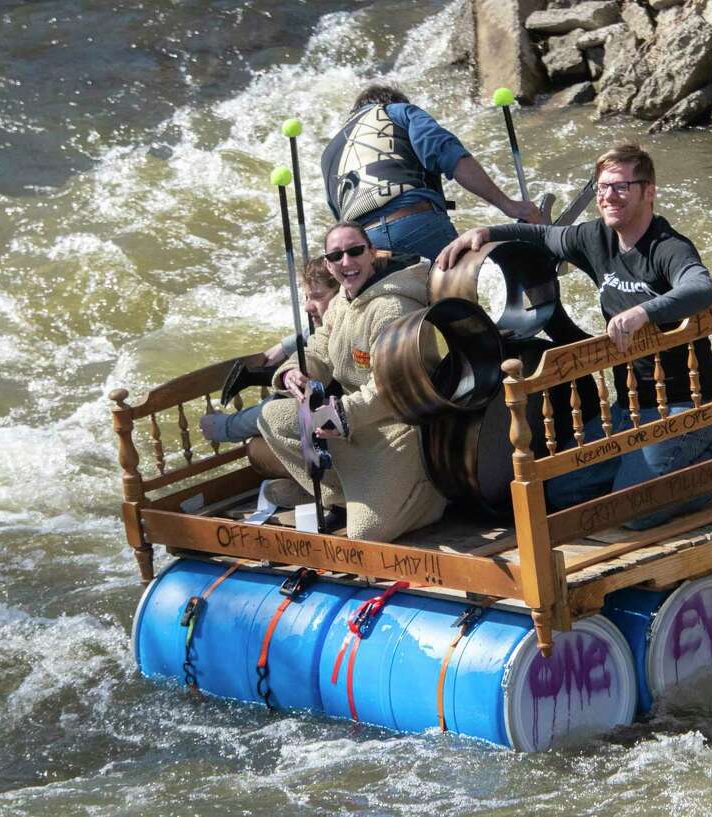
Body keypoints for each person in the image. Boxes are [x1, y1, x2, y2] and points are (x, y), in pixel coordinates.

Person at [436, 141, 712, 528]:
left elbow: (700, 288)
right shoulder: (596, 238)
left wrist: (643, 313)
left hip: (685, 405)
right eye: (602, 188)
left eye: (621, 187)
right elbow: (543, 237)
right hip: (629, 406)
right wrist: (484, 232)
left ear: (649, 192)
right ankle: (643, 471)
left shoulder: (668, 247)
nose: (609, 196)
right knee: (562, 491)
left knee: (634, 513)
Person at [257, 221, 447, 541]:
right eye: (337, 255)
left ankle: (427, 496)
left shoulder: (392, 308)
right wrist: (294, 370)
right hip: (351, 424)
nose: (347, 262)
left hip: (396, 429)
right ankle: (343, 496)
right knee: (272, 418)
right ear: (329, 265)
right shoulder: (342, 302)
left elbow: (390, 388)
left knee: (364, 533)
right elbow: (319, 348)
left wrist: (342, 414)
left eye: (355, 251)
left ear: (371, 253)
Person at [321, 83, 543, 262]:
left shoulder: (329, 154)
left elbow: (341, 220)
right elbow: (448, 153)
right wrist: (508, 205)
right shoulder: (397, 111)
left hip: (363, 249)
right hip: (415, 224)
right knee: (457, 308)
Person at [199, 257, 339, 445]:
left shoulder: (342, 330)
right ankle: (251, 378)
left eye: (318, 297)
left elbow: (282, 407)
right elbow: (318, 330)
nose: (306, 307)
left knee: (257, 447)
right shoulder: (333, 318)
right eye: (306, 297)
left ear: (342, 295)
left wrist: (228, 427)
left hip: (329, 425)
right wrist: (284, 347)